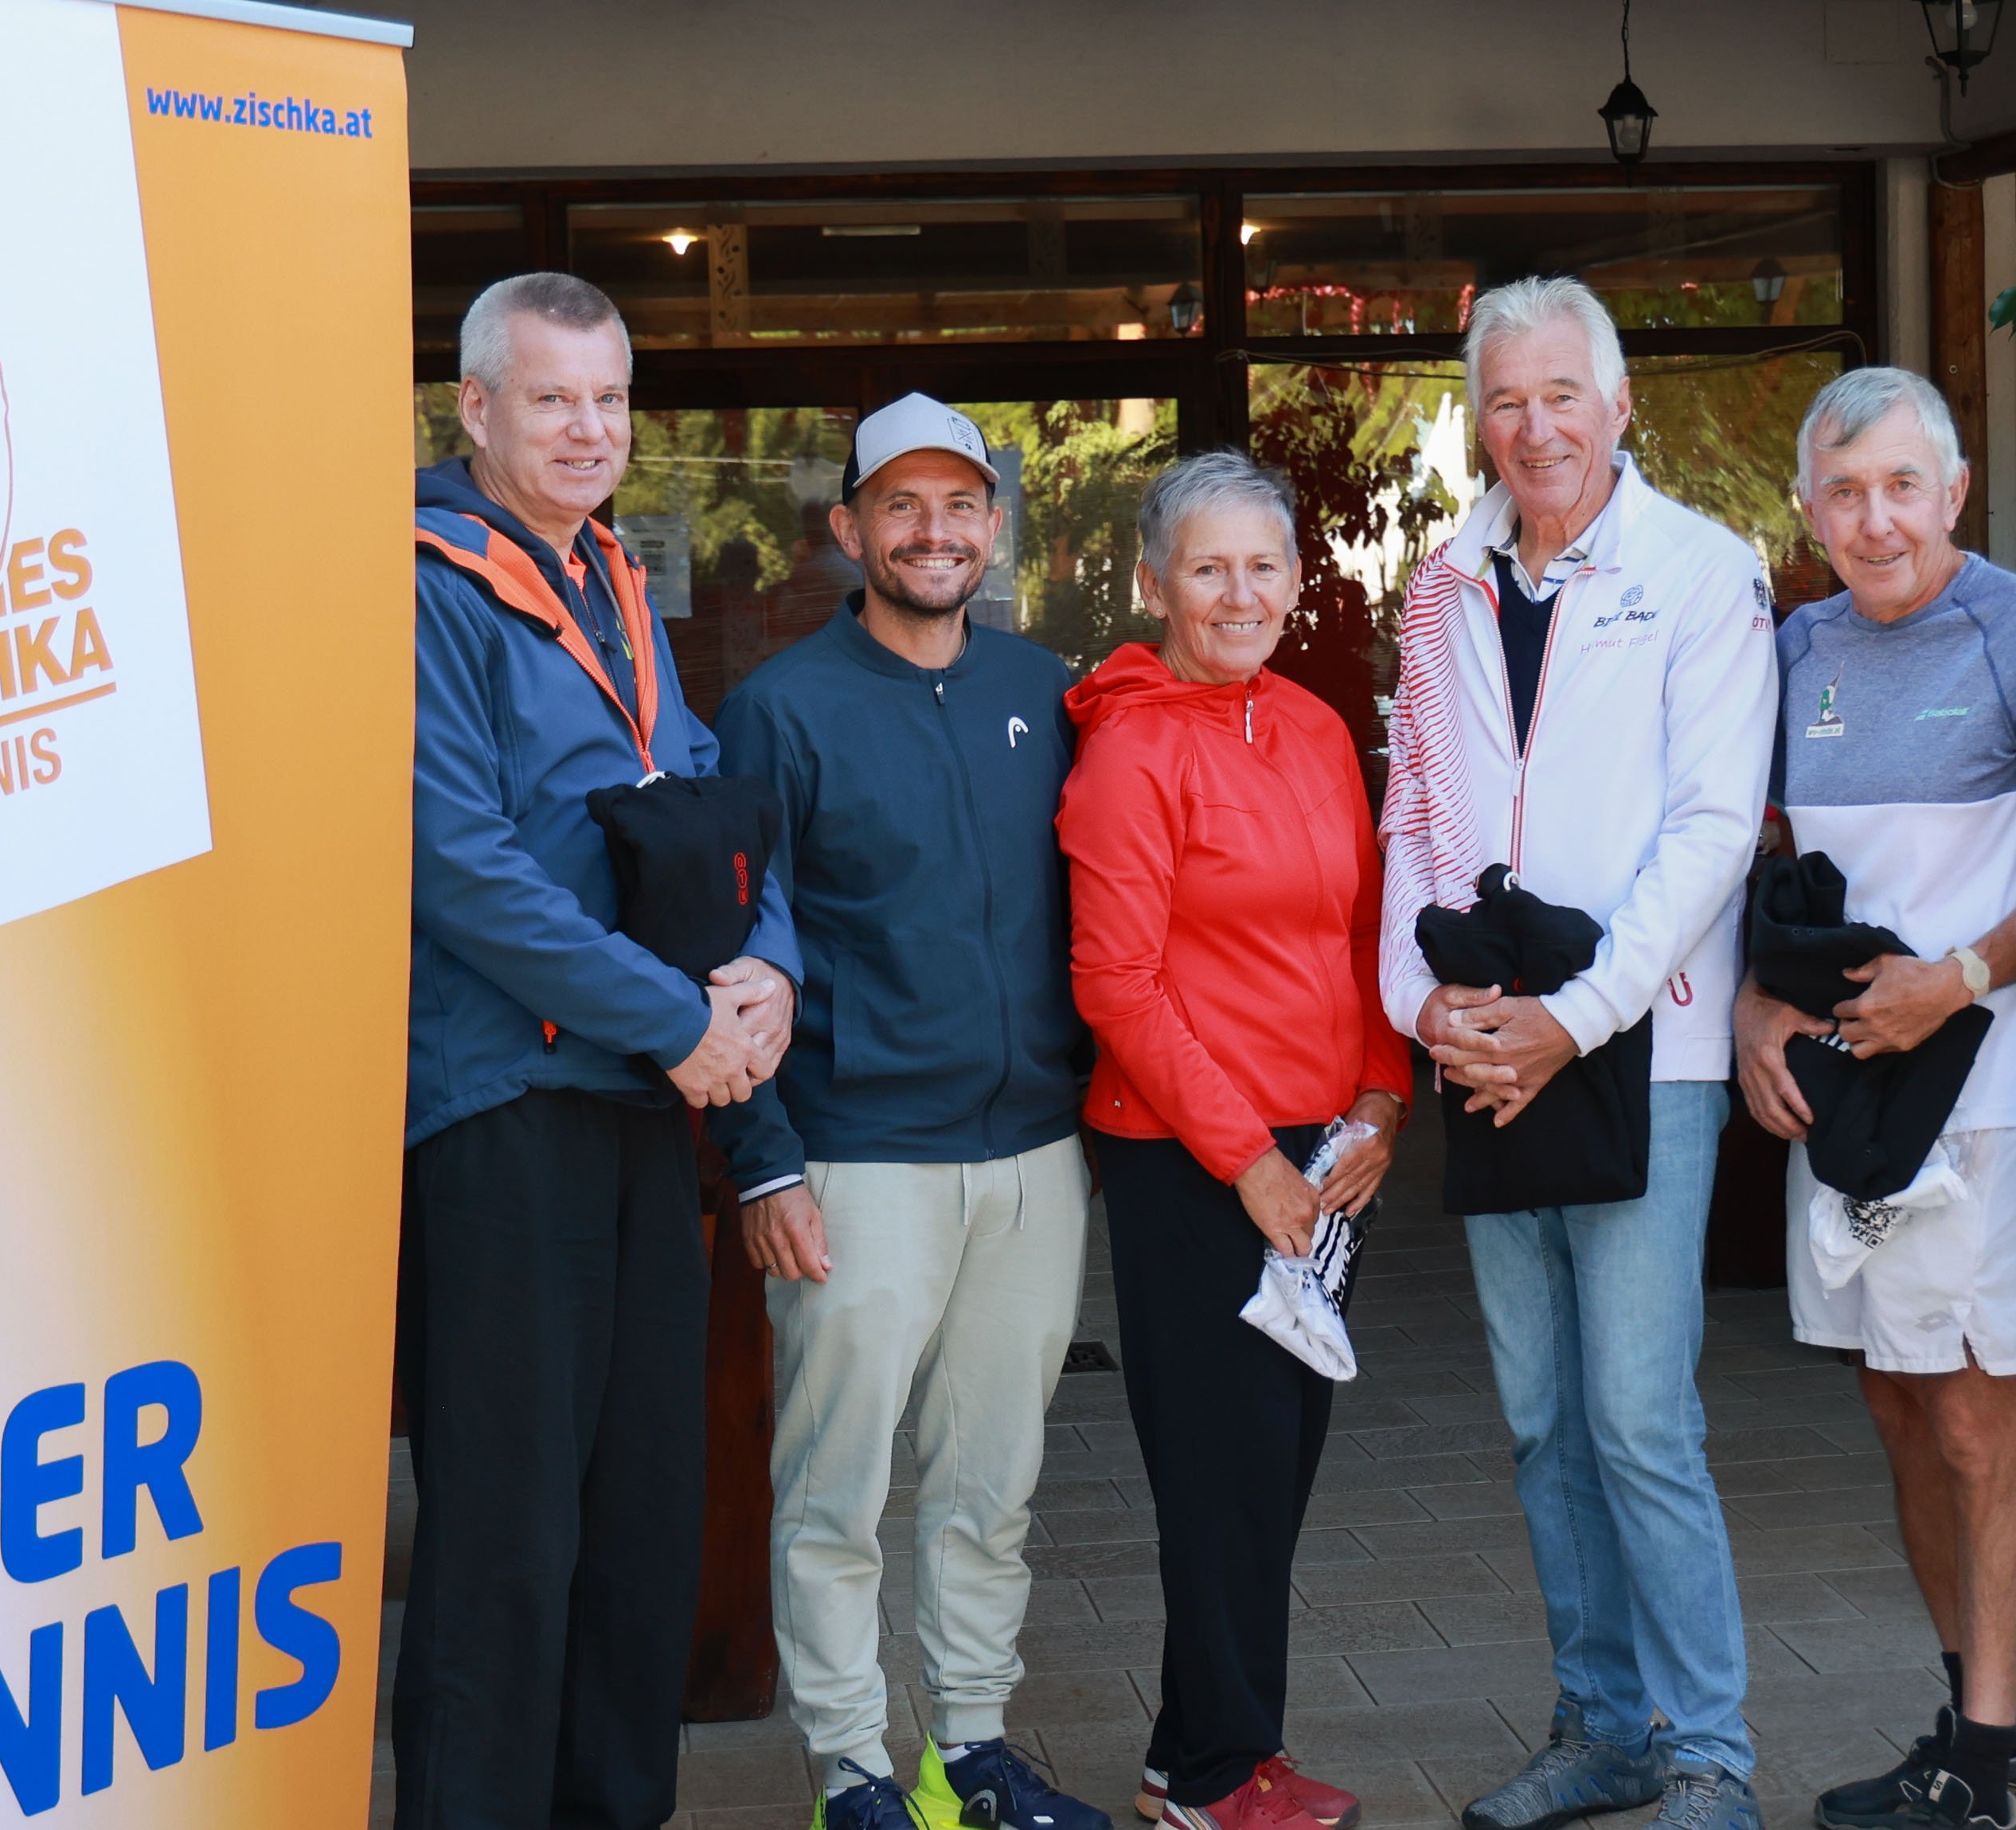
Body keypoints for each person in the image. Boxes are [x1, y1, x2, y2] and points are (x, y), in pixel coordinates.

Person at [399, 272, 799, 1830]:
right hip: (501, 1113)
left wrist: (765, 969)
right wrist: (683, 1020)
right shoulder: (427, 584)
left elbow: (698, 803)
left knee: (643, 1524)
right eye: (552, 397)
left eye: (609, 400)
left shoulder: (612, 577)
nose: (587, 428)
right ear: (476, 408)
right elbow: (461, 869)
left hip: (640, 1103)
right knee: (508, 1544)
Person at [1381, 275, 1778, 1830]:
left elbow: (1713, 828)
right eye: (1505, 399)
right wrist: (1427, 1007)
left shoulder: (1702, 571)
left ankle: (1708, 1753)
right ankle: (1601, 1725)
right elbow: (1412, 813)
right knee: (1546, 1421)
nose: (1534, 426)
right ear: (1477, 418)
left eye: (1562, 395)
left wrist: (1577, 1013)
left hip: (1639, 1047)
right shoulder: (1442, 583)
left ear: (1619, 405)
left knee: (1638, 1420)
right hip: (1488, 1044)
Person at [714, 393, 1105, 1830]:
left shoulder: (1046, 690)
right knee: (836, 1490)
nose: (931, 532)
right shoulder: (779, 709)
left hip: (1033, 1155)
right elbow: (731, 947)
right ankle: (851, 1770)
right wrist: (764, 1164)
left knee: (990, 1481)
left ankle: (969, 1753)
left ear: (993, 526)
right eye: (900, 506)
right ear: (849, 527)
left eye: (957, 506)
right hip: (854, 1157)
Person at [1733, 369, 2016, 1830]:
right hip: (1845, 1099)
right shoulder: (1793, 646)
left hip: (1986, 1095)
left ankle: (1990, 1761)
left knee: (1973, 1417)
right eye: (1844, 492)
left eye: (1900, 488)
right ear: (1808, 509)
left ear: (1952, 493)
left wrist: (1962, 977)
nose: (1874, 521)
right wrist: (1755, 1003)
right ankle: (1978, 1723)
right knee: (1891, 1398)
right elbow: (1750, 858)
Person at [1057, 451, 1407, 1830]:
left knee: (1276, 1460)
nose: (1239, 592)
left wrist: (1379, 1101)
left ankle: (1196, 1751)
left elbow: (1369, 929)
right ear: (1156, 584)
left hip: (1322, 1154)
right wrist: (1249, 1160)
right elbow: (1115, 983)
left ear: (1297, 579)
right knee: (1221, 1472)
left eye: (1263, 566)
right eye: (1208, 568)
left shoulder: (1315, 726)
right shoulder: (1130, 748)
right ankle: (1214, 1776)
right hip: (1192, 1159)